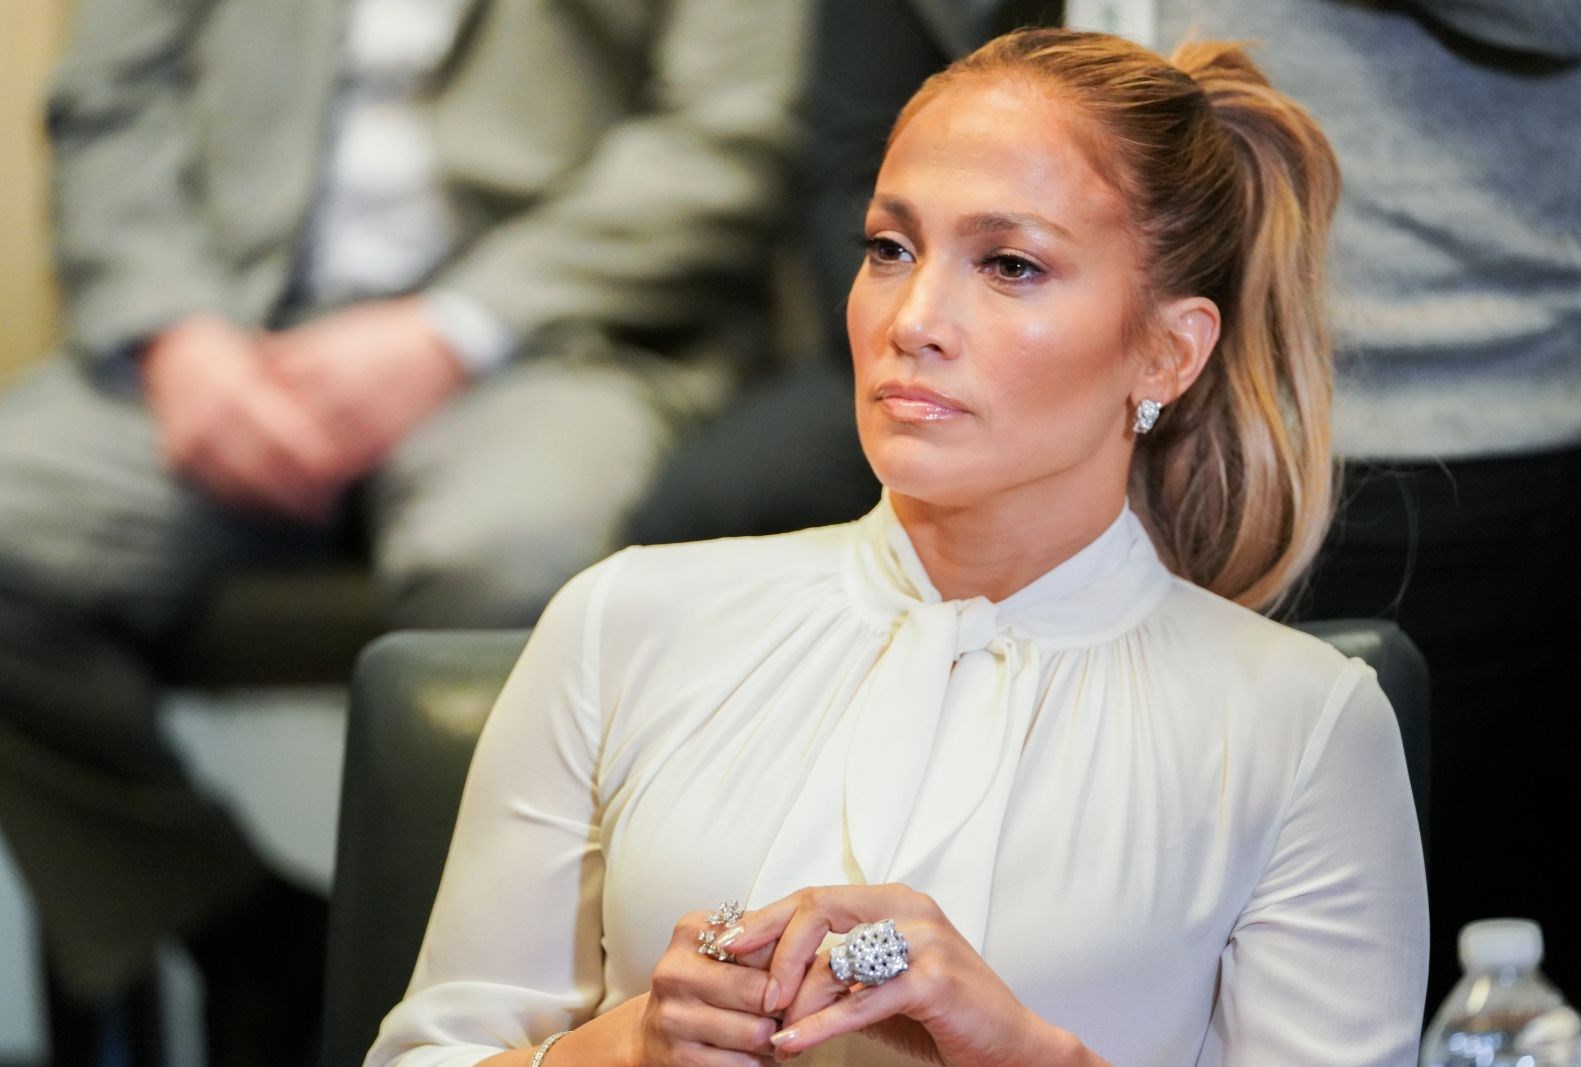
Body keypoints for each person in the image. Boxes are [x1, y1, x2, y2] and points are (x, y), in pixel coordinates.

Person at [368, 28, 1428, 1067]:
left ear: (1167, 349)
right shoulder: (625, 621)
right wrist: (626, 1047)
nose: (913, 317)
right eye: (889, 249)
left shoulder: (1301, 727)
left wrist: (1022, 1053)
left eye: (1009, 264)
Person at [0, 0, 805, 1061]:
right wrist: (174, 332)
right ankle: (256, 943)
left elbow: (730, 130)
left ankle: (482, 1025)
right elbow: (111, 102)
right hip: (233, 335)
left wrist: (452, 329)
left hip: (549, 339)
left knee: (516, 570)